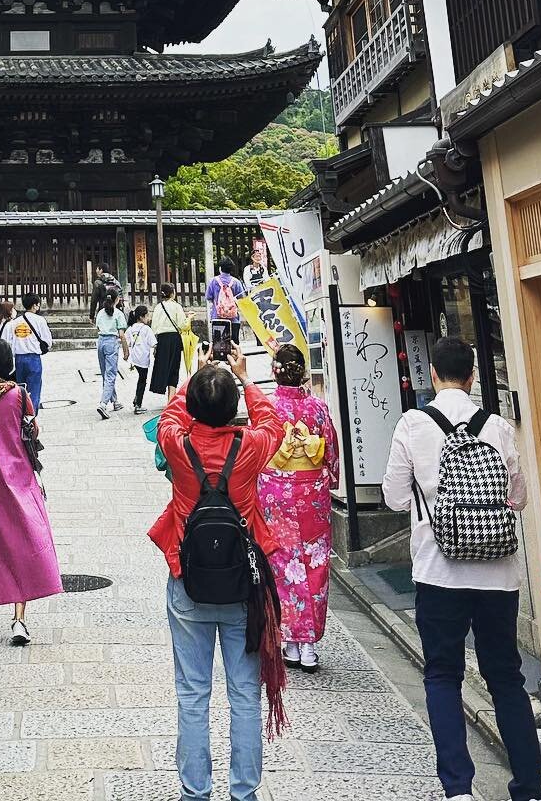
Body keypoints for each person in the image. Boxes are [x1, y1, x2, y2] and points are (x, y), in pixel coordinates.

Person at [382, 337, 541, 801]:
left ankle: (458, 789)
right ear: (472, 377)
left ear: (432, 375)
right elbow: (519, 498)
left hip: (438, 571)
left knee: (443, 674)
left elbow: (394, 497)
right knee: (506, 676)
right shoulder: (496, 426)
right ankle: (529, 787)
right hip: (498, 572)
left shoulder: (413, 423)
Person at [149, 344, 287, 801]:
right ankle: (243, 792)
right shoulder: (250, 447)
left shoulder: (176, 442)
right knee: (244, 693)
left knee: (192, 694)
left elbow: (171, 413)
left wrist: (197, 371)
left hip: (188, 579)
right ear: (233, 410)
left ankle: (195, 792)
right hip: (242, 584)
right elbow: (272, 421)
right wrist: (245, 378)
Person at [0, 337, 61, 645]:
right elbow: (30, 430)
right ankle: (19, 620)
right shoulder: (18, 394)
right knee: (21, 541)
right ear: (9, 364)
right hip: (17, 478)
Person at [256, 343, 339, 670]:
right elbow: (330, 453)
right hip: (311, 495)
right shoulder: (317, 409)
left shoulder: (267, 407)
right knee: (314, 564)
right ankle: (307, 645)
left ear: (274, 372)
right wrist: (327, 476)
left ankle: (289, 641)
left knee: (282, 565)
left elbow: (257, 451)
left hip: (276, 493)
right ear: (303, 373)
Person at [2, 292, 51, 412]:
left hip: (19, 359)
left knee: (21, 390)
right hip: (34, 359)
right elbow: (47, 340)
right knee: (34, 390)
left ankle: (21, 415)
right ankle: (31, 417)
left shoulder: (15, 322)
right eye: (38, 305)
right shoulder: (40, 320)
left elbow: (9, 341)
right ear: (34, 305)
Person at [150, 282, 189, 402]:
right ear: (172, 293)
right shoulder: (177, 306)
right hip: (174, 339)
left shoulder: (158, 307)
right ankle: (171, 398)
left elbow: (154, 327)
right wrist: (190, 318)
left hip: (162, 339)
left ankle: (166, 393)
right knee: (174, 367)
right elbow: (183, 325)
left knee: (163, 367)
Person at [94, 288, 128, 417]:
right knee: (111, 375)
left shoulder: (101, 312)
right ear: (117, 299)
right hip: (111, 343)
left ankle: (115, 401)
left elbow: (97, 327)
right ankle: (103, 404)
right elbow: (121, 335)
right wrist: (126, 350)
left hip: (101, 341)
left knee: (106, 374)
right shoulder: (118, 314)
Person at [125, 305, 156, 414]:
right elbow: (153, 344)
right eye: (147, 316)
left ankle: (137, 399)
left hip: (134, 359)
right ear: (142, 317)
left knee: (140, 379)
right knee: (142, 381)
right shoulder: (146, 329)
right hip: (143, 359)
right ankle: (138, 405)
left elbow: (125, 341)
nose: (148, 318)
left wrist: (126, 354)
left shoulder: (130, 328)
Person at [206, 257, 244, 324]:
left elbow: (208, 297)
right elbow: (241, 298)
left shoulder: (213, 281)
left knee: (218, 334)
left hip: (217, 317)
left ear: (220, 268)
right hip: (233, 319)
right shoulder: (236, 282)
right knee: (234, 334)